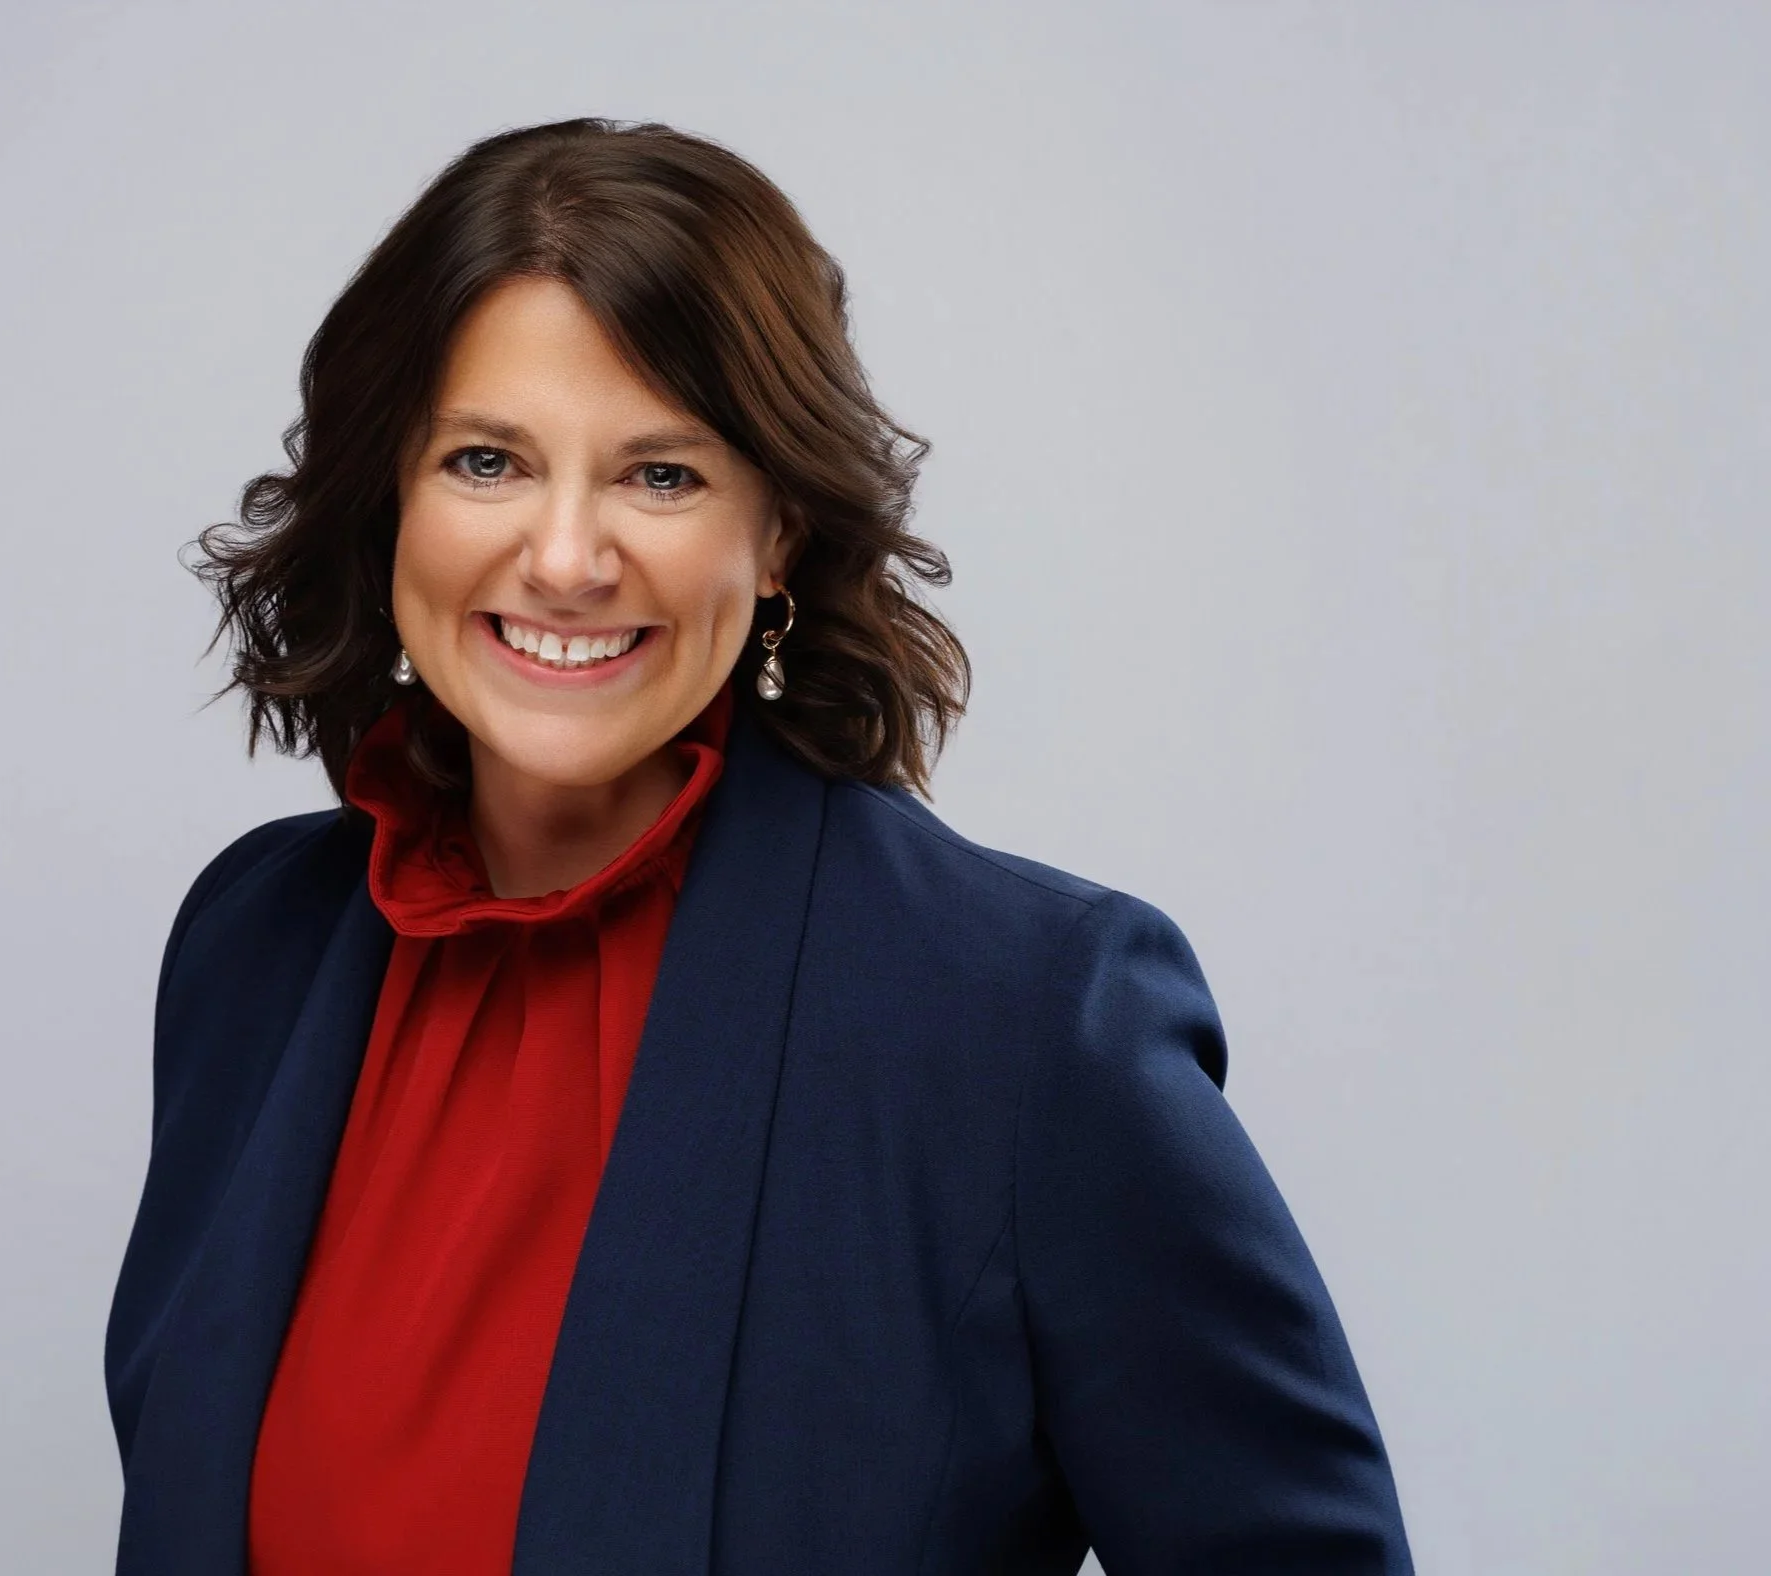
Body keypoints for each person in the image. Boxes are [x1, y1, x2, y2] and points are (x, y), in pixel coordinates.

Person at [105, 118, 1412, 1576]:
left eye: (661, 475)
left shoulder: (1022, 1020)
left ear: (778, 528)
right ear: (387, 501)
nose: (566, 558)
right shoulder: (253, 952)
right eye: (487, 460)